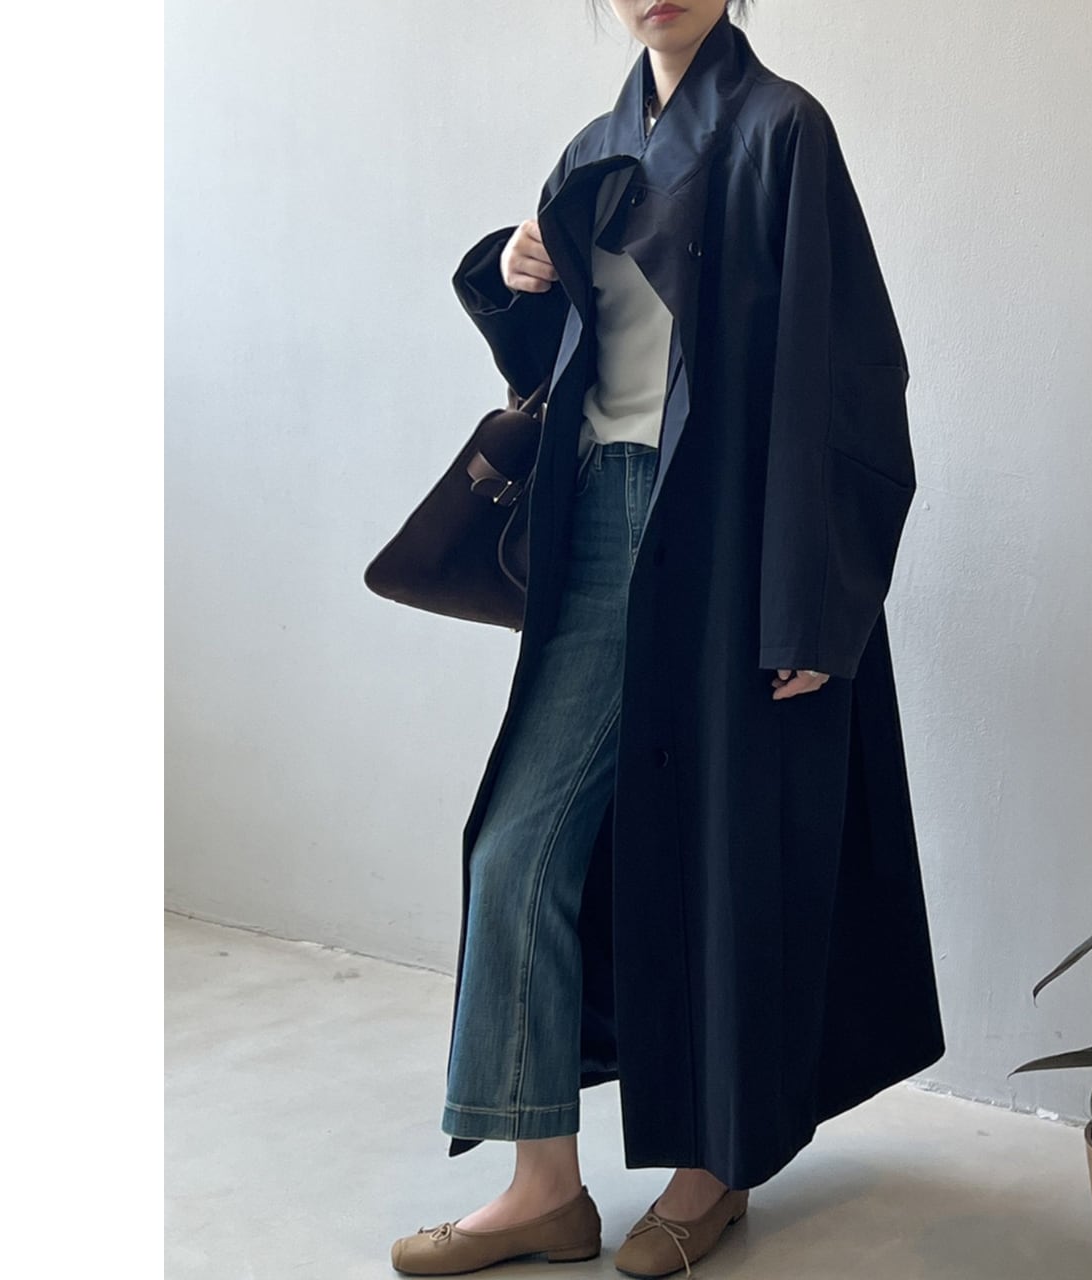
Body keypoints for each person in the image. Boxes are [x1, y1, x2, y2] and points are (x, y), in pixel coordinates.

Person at [391, 1, 943, 1274]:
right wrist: (515, 275)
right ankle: (543, 1186)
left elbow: (849, 374)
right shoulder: (592, 146)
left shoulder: (783, 131)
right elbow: (568, 363)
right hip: (598, 507)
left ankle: (713, 1167)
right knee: (517, 839)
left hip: (728, 529)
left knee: (719, 846)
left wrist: (812, 602)